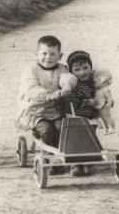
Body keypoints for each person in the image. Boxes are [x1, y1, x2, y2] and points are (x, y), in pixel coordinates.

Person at [17, 35, 75, 175]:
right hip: (36, 111)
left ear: (60, 55)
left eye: (52, 54)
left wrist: (68, 84)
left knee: (63, 128)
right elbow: (30, 88)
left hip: (55, 110)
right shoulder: (30, 70)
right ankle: (48, 161)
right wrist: (48, 95)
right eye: (44, 53)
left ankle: (59, 159)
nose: (48, 57)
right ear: (36, 53)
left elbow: (67, 76)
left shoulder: (61, 69)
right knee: (47, 130)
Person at [63, 50, 115, 176]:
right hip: (76, 115)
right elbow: (69, 99)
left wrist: (107, 100)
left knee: (89, 139)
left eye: (85, 67)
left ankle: (88, 163)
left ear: (91, 67)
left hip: (91, 116)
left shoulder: (93, 81)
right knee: (76, 140)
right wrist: (86, 101)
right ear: (72, 72)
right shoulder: (73, 83)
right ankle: (76, 164)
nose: (82, 72)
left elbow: (102, 91)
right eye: (77, 69)